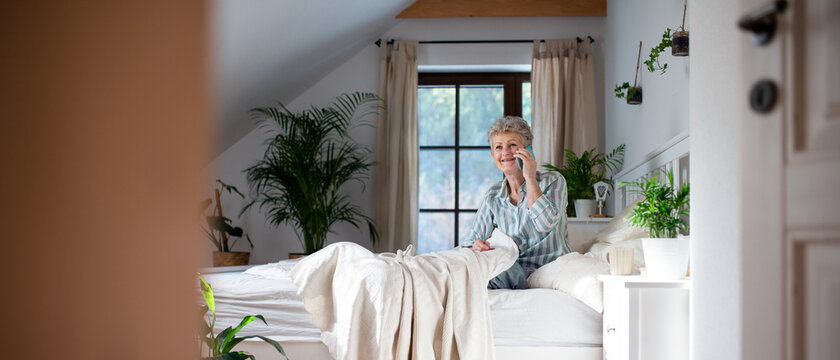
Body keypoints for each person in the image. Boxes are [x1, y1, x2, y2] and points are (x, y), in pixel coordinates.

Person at [465, 116, 570, 289]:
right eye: (498, 147)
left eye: (512, 145)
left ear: (528, 150)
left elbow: (545, 224)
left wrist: (529, 177)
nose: (505, 152)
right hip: (511, 269)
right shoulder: (493, 195)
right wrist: (475, 245)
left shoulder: (553, 181)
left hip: (548, 270)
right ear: (493, 155)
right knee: (465, 270)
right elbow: (472, 240)